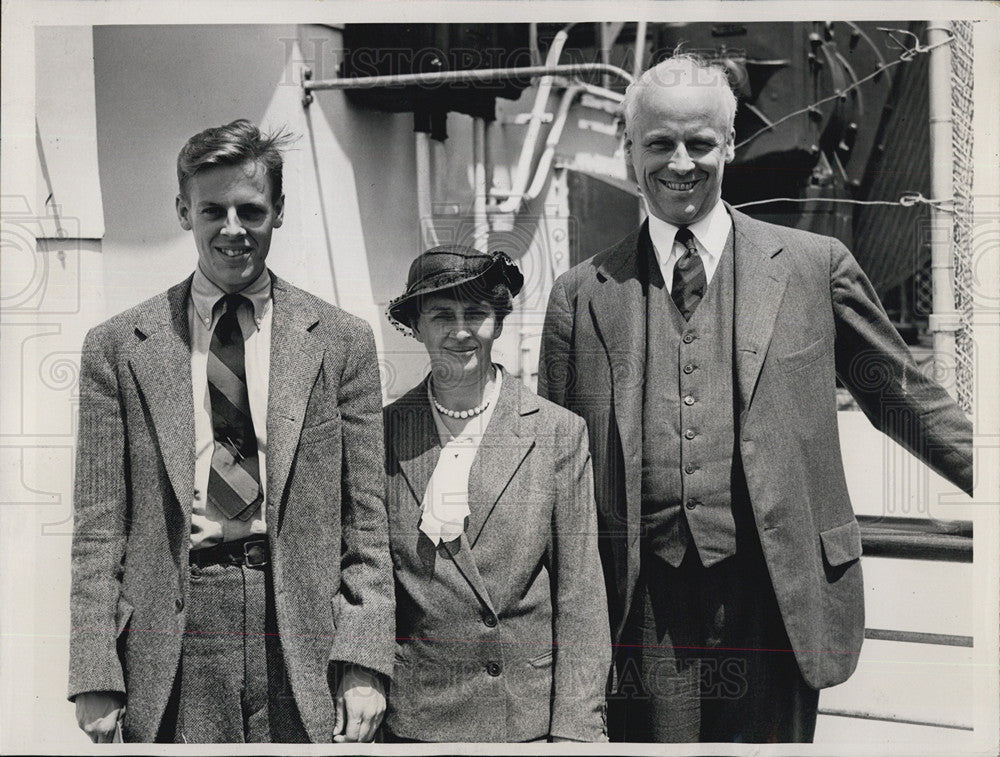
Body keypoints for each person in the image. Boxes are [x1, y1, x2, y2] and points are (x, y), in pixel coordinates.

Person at [537, 55, 973, 743]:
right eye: (659, 143)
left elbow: (904, 401)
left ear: (731, 144)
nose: (680, 162)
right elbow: (553, 476)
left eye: (700, 143)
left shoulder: (812, 267)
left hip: (778, 593)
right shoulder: (581, 294)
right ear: (631, 148)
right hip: (643, 609)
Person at [68, 119, 395, 743]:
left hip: (302, 627)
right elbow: (97, 527)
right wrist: (94, 667)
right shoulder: (118, 348)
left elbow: (368, 523)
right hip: (176, 630)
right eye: (212, 209)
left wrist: (365, 657)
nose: (233, 228)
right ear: (182, 211)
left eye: (251, 209)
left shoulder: (342, 341)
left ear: (278, 212)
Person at [381, 246, 611, 743]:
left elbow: (581, 595)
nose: (461, 331)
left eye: (477, 313)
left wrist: (577, 731)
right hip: (417, 718)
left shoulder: (557, 433)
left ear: (500, 322)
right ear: (416, 326)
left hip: (524, 719)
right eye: (442, 315)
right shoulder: (384, 432)